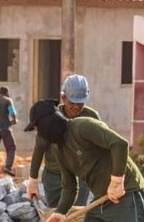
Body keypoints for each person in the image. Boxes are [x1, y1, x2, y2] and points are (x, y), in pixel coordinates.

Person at [27, 74, 100, 210]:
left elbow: (101, 147)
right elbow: (39, 148)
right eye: (72, 102)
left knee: (76, 215)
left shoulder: (92, 117)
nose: (76, 107)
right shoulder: (52, 117)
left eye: (81, 103)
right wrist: (33, 179)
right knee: (57, 216)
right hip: (54, 176)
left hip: (81, 176)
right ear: (63, 97)